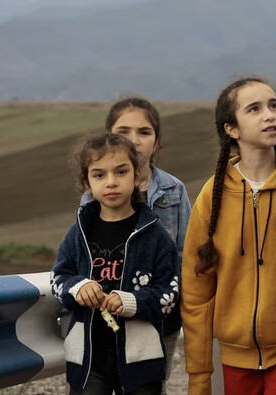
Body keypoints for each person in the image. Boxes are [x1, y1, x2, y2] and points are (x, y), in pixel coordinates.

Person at [180, 77, 276, 395]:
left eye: (273, 105)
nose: (270, 114)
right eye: (254, 109)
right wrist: (200, 377)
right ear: (231, 129)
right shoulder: (212, 196)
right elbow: (196, 294)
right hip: (233, 356)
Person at [52, 132, 179, 394]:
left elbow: (170, 294)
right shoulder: (79, 232)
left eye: (121, 172)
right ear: (86, 183)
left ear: (138, 177)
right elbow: (58, 279)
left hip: (140, 361)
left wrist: (131, 302)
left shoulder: (156, 236)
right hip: (89, 360)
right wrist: (78, 287)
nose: (111, 182)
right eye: (99, 175)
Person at [81, 97, 191, 392]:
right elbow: (84, 255)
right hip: (105, 316)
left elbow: (184, 257)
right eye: (124, 131)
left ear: (157, 141)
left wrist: (178, 307)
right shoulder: (94, 195)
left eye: (144, 132)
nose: (134, 140)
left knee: (150, 387)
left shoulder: (173, 190)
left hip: (157, 316)